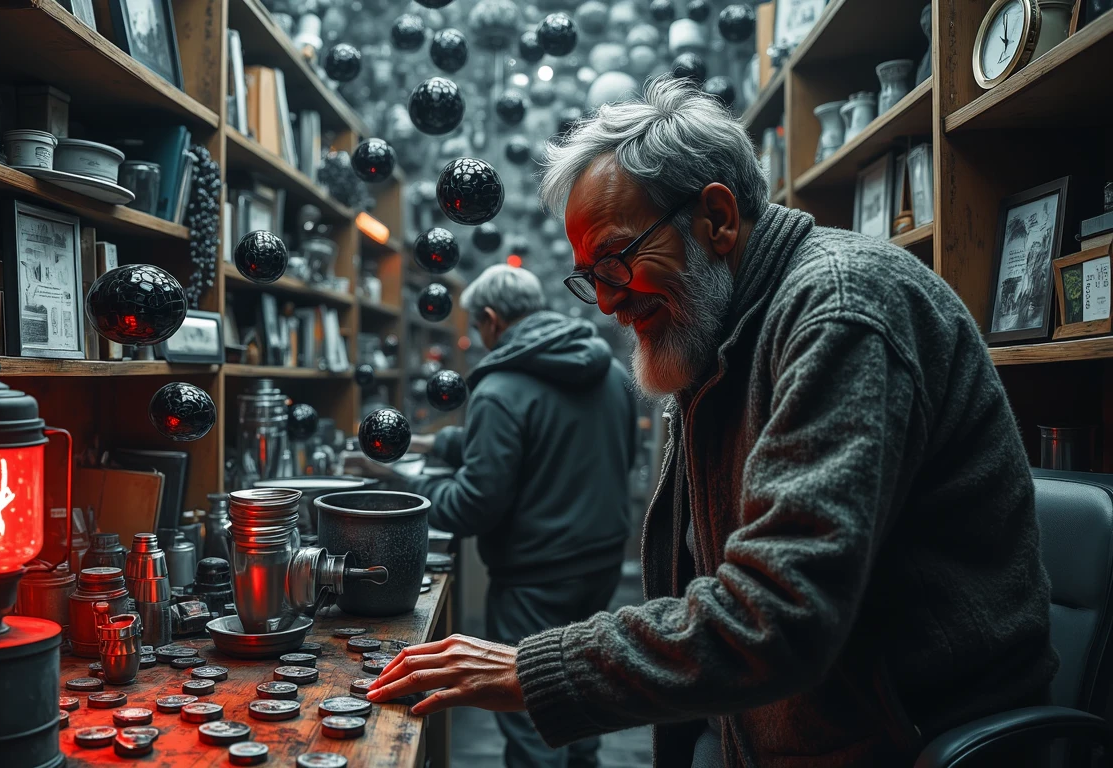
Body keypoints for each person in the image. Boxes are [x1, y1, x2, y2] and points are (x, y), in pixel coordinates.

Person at [365, 78, 1057, 767]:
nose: (606, 302)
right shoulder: (723, 330)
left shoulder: (841, 310)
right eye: (590, 276)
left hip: (905, 741)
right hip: (786, 728)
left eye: (615, 260)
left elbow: (779, 616)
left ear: (718, 219)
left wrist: (533, 670)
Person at [349, 264, 638, 768]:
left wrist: (405, 480)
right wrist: (437, 443)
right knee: (580, 693)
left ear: (490, 318)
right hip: (600, 562)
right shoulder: (610, 372)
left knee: (530, 713)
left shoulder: (500, 387)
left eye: (476, 327)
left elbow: (469, 507)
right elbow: (552, 438)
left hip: (535, 578)